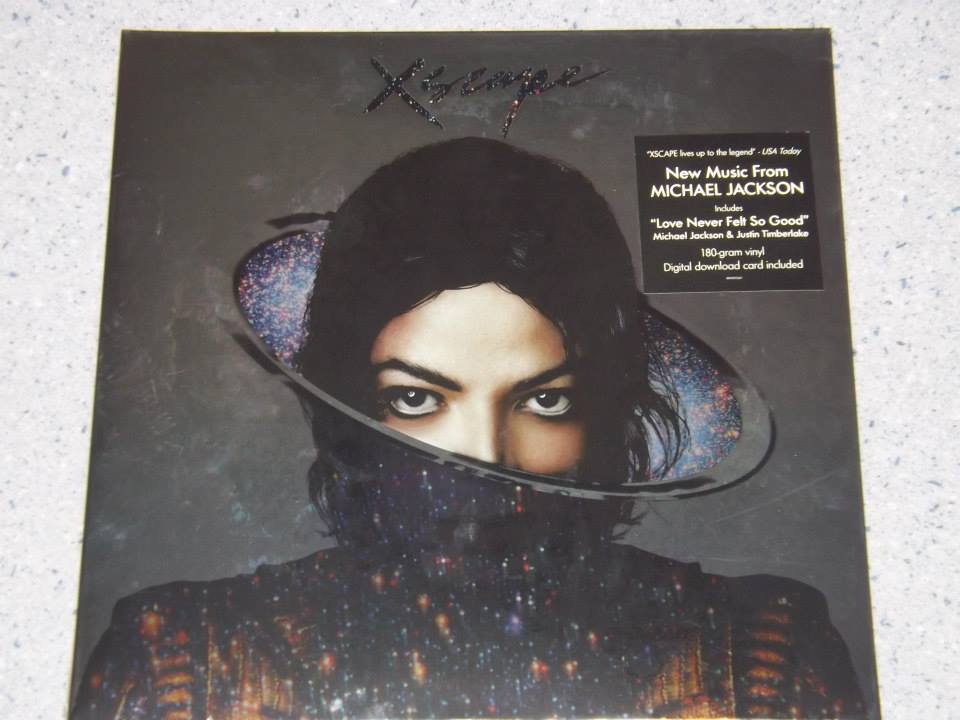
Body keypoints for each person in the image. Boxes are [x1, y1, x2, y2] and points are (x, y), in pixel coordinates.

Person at [73, 139, 865, 719]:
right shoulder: (184, 659)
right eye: (418, 399)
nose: (485, 459)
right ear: (349, 408)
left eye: (545, 402)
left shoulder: (757, 656)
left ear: (607, 412)